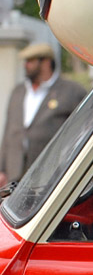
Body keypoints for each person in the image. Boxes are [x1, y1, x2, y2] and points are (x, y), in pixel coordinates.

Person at [0, 43, 87, 187]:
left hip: (50, 177)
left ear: (46, 62)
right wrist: (2, 169)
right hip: (14, 177)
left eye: (30, 61)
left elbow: (83, 133)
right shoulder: (18, 92)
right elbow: (8, 133)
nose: (25, 65)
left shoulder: (71, 92)